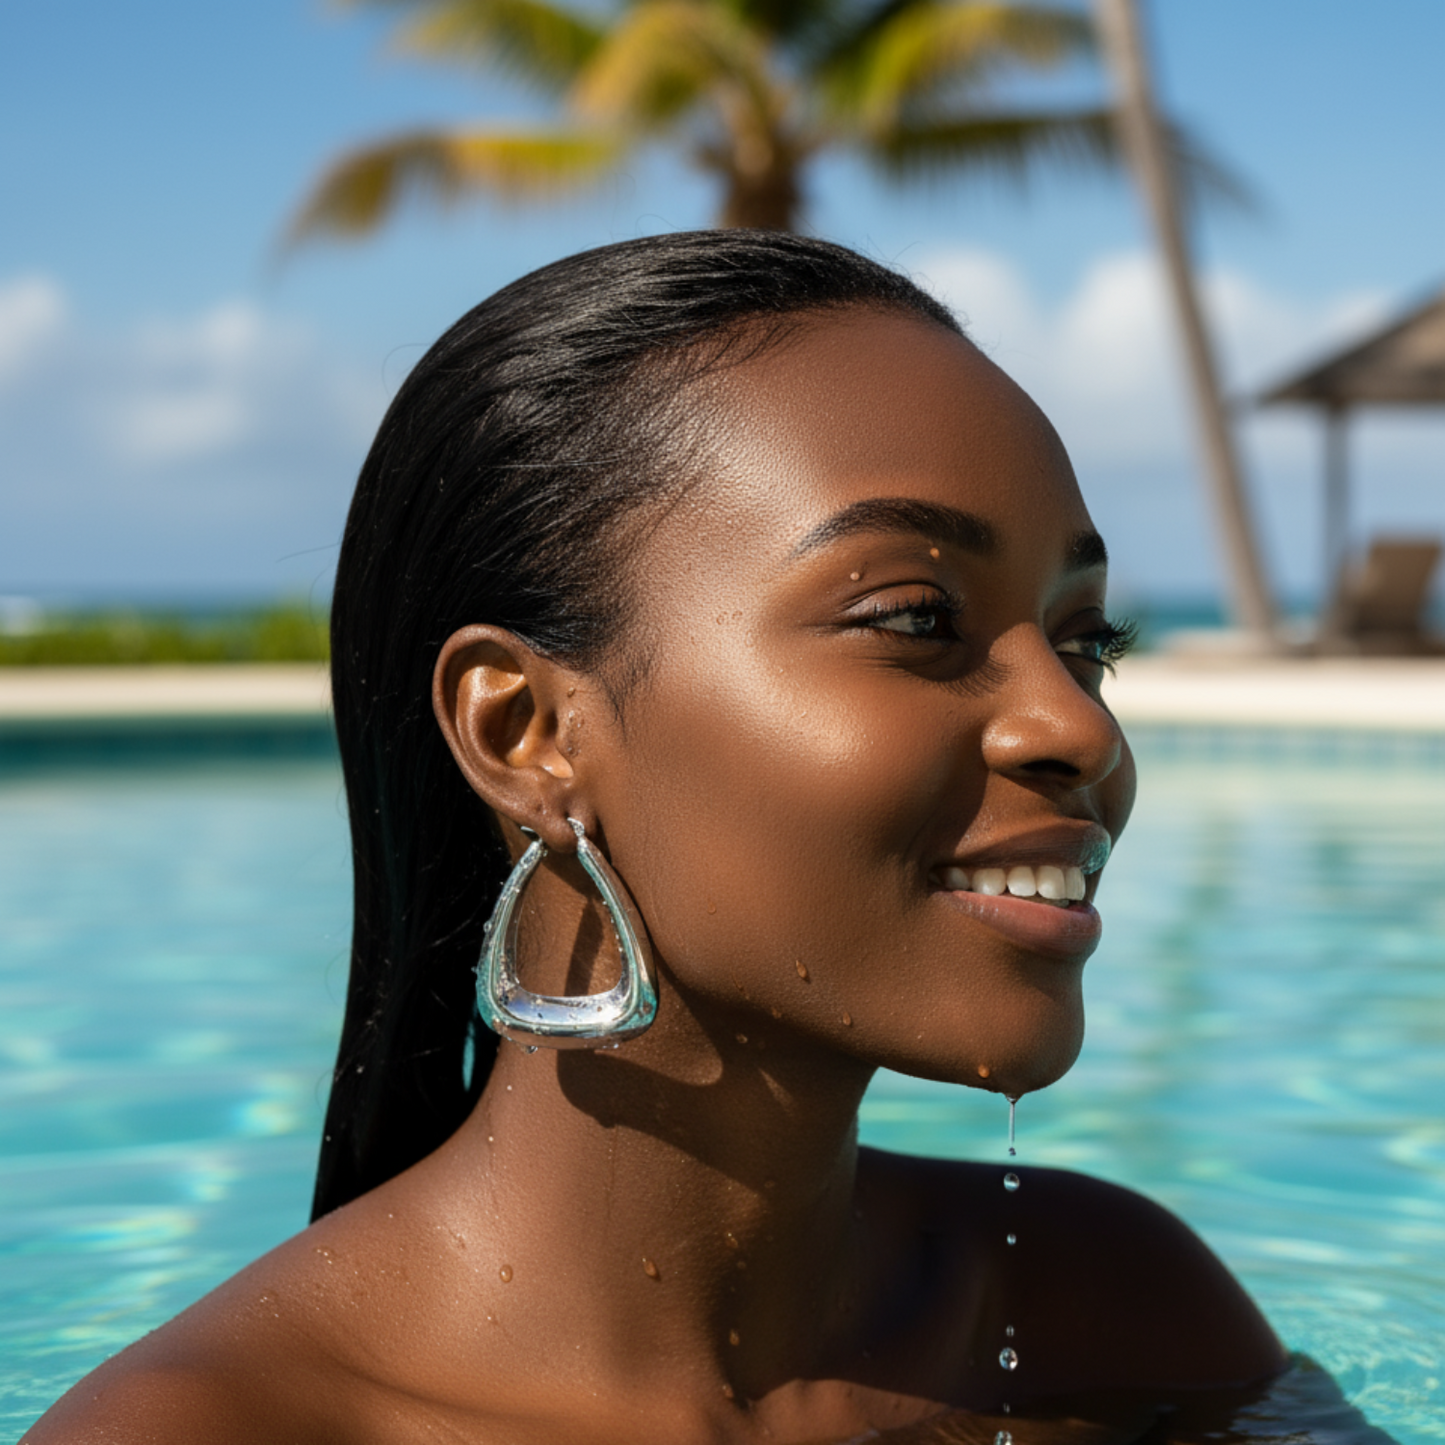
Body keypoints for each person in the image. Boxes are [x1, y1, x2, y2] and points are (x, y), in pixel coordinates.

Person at [31, 229, 1358, 1444]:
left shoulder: (1107, 1315)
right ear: (527, 734)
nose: (1078, 727)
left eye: (1087, 641)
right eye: (915, 618)